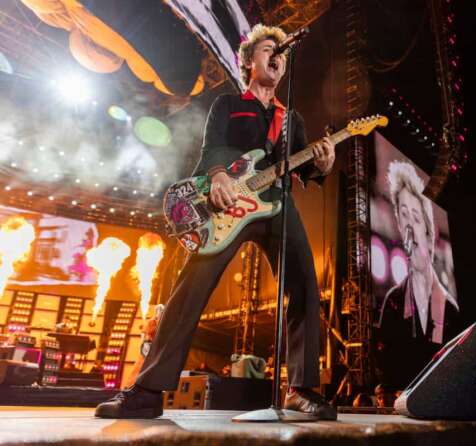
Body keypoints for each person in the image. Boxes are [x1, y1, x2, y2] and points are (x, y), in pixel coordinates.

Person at [95, 23, 336, 420]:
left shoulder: (291, 117)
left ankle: (301, 389)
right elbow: (212, 151)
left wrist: (322, 164)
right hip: (227, 207)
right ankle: (148, 390)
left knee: (305, 286)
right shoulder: (227, 104)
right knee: (191, 287)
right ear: (248, 62)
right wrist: (220, 174)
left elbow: (305, 169)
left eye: (281, 52)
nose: (277, 55)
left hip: (277, 206)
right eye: (267, 49)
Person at [375, 160, 459, 391]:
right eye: (404, 215)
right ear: (400, 228)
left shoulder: (450, 309)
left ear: (429, 231)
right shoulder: (393, 301)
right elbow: (386, 359)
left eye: (416, 216)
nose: (410, 226)